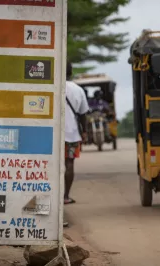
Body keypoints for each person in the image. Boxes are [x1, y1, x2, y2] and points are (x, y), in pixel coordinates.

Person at [64, 61, 89, 206]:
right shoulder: (78, 89)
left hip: (52, 134)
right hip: (72, 134)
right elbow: (83, 114)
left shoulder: (51, 86)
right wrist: (84, 132)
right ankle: (65, 196)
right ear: (71, 72)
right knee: (69, 163)